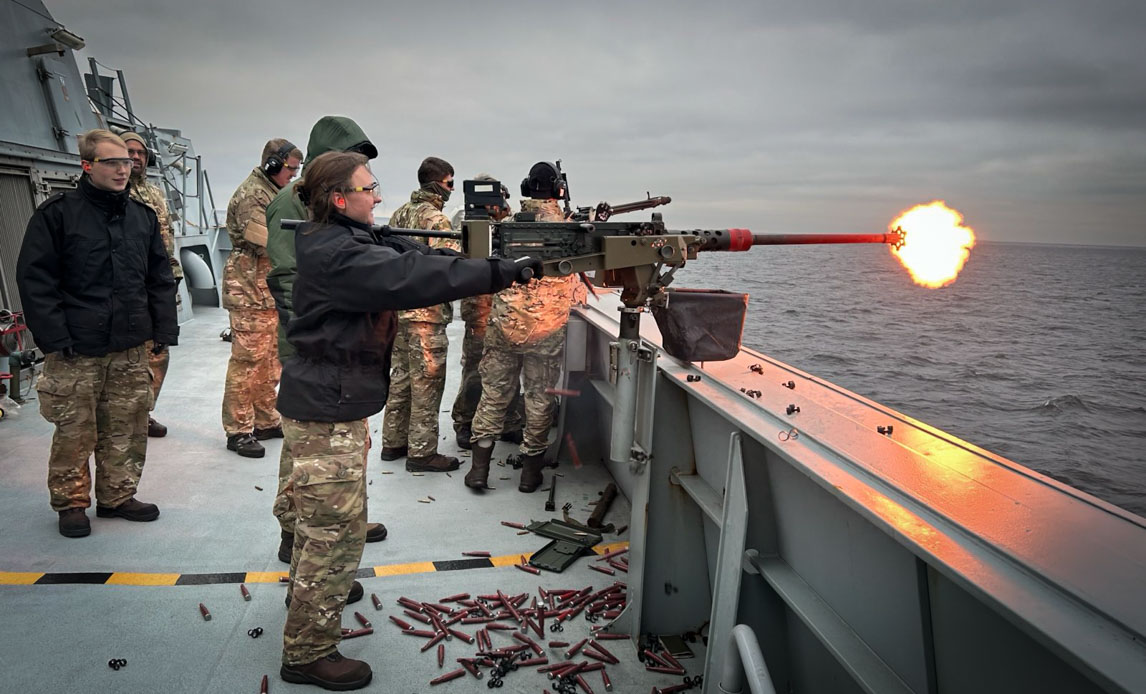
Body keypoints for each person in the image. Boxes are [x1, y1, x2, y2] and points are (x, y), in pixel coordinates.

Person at [276, 151, 537, 689]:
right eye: (368, 188)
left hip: (329, 398)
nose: (377, 195)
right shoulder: (339, 256)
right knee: (335, 533)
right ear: (338, 199)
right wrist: (497, 273)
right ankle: (306, 653)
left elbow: (395, 254)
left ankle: (308, 592)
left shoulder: (342, 240)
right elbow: (409, 276)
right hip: (328, 405)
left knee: (322, 519)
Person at [16, 129, 178, 538]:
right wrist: (55, 337)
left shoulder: (142, 217)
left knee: (126, 423)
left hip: (128, 343)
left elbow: (159, 278)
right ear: (87, 166)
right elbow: (36, 280)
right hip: (76, 346)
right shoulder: (57, 215)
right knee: (75, 429)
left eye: (127, 161)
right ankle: (71, 503)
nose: (124, 169)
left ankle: (117, 496)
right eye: (113, 162)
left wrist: (162, 329)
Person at [265, 116, 387, 564]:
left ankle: (341, 516)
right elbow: (288, 277)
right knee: (308, 452)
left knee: (337, 451)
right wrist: (315, 342)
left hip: (339, 351)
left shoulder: (325, 206)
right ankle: (295, 528)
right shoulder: (292, 202)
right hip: (314, 350)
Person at [466, 162, 580, 492]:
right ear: (558, 191)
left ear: (526, 189)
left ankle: (478, 472)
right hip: (545, 331)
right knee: (540, 399)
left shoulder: (506, 225)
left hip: (504, 327)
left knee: (494, 396)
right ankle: (530, 475)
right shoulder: (570, 229)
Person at [379, 157, 463, 472]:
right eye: (450, 183)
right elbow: (444, 266)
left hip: (398, 311)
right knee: (427, 382)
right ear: (437, 184)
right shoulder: (437, 220)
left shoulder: (400, 213)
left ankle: (393, 443)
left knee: (400, 378)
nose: (452, 190)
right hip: (425, 315)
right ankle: (422, 452)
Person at [221, 138, 301, 458]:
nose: (294, 175)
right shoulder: (252, 195)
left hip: (268, 291)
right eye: (290, 169)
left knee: (271, 360)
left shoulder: (274, 193)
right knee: (247, 361)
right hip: (249, 290)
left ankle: (266, 419)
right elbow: (263, 240)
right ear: (273, 164)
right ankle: (238, 429)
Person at [448, 175, 525, 449]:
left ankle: (510, 421)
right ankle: (465, 422)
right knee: (475, 368)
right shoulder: (464, 220)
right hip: (479, 305)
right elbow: (458, 253)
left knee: (510, 367)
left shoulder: (509, 221)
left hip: (506, 305)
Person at [122, 131, 182, 438]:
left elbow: (166, 241)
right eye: (129, 151)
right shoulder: (116, 193)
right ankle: (124, 418)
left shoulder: (156, 193)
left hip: (158, 287)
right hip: (128, 291)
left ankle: (143, 413)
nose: (135, 157)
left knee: (159, 354)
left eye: (140, 153)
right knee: (128, 359)